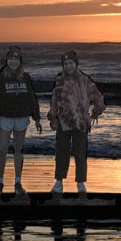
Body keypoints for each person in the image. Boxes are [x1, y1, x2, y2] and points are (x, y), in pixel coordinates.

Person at [47, 50, 105, 199]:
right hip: (63, 122)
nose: (68, 66)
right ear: (63, 65)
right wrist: (53, 118)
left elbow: (98, 97)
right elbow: (54, 100)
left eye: (71, 63)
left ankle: (80, 183)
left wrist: (96, 112)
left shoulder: (85, 80)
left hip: (81, 123)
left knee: (80, 153)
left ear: (76, 64)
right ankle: (59, 182)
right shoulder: (59, 80)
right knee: (61, 153)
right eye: (65, 64)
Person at [0, 46, 42, 199]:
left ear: (20, 61)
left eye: (16, 59)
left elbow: (31, 98)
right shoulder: (0, 78)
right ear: (7, 60)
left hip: (21, 118)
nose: (13, 61)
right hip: (4, 118)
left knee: (18, 150)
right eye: (11, 59)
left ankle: (18, 183)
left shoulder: (25, 77)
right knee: (3, 150)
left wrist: (37, 118)